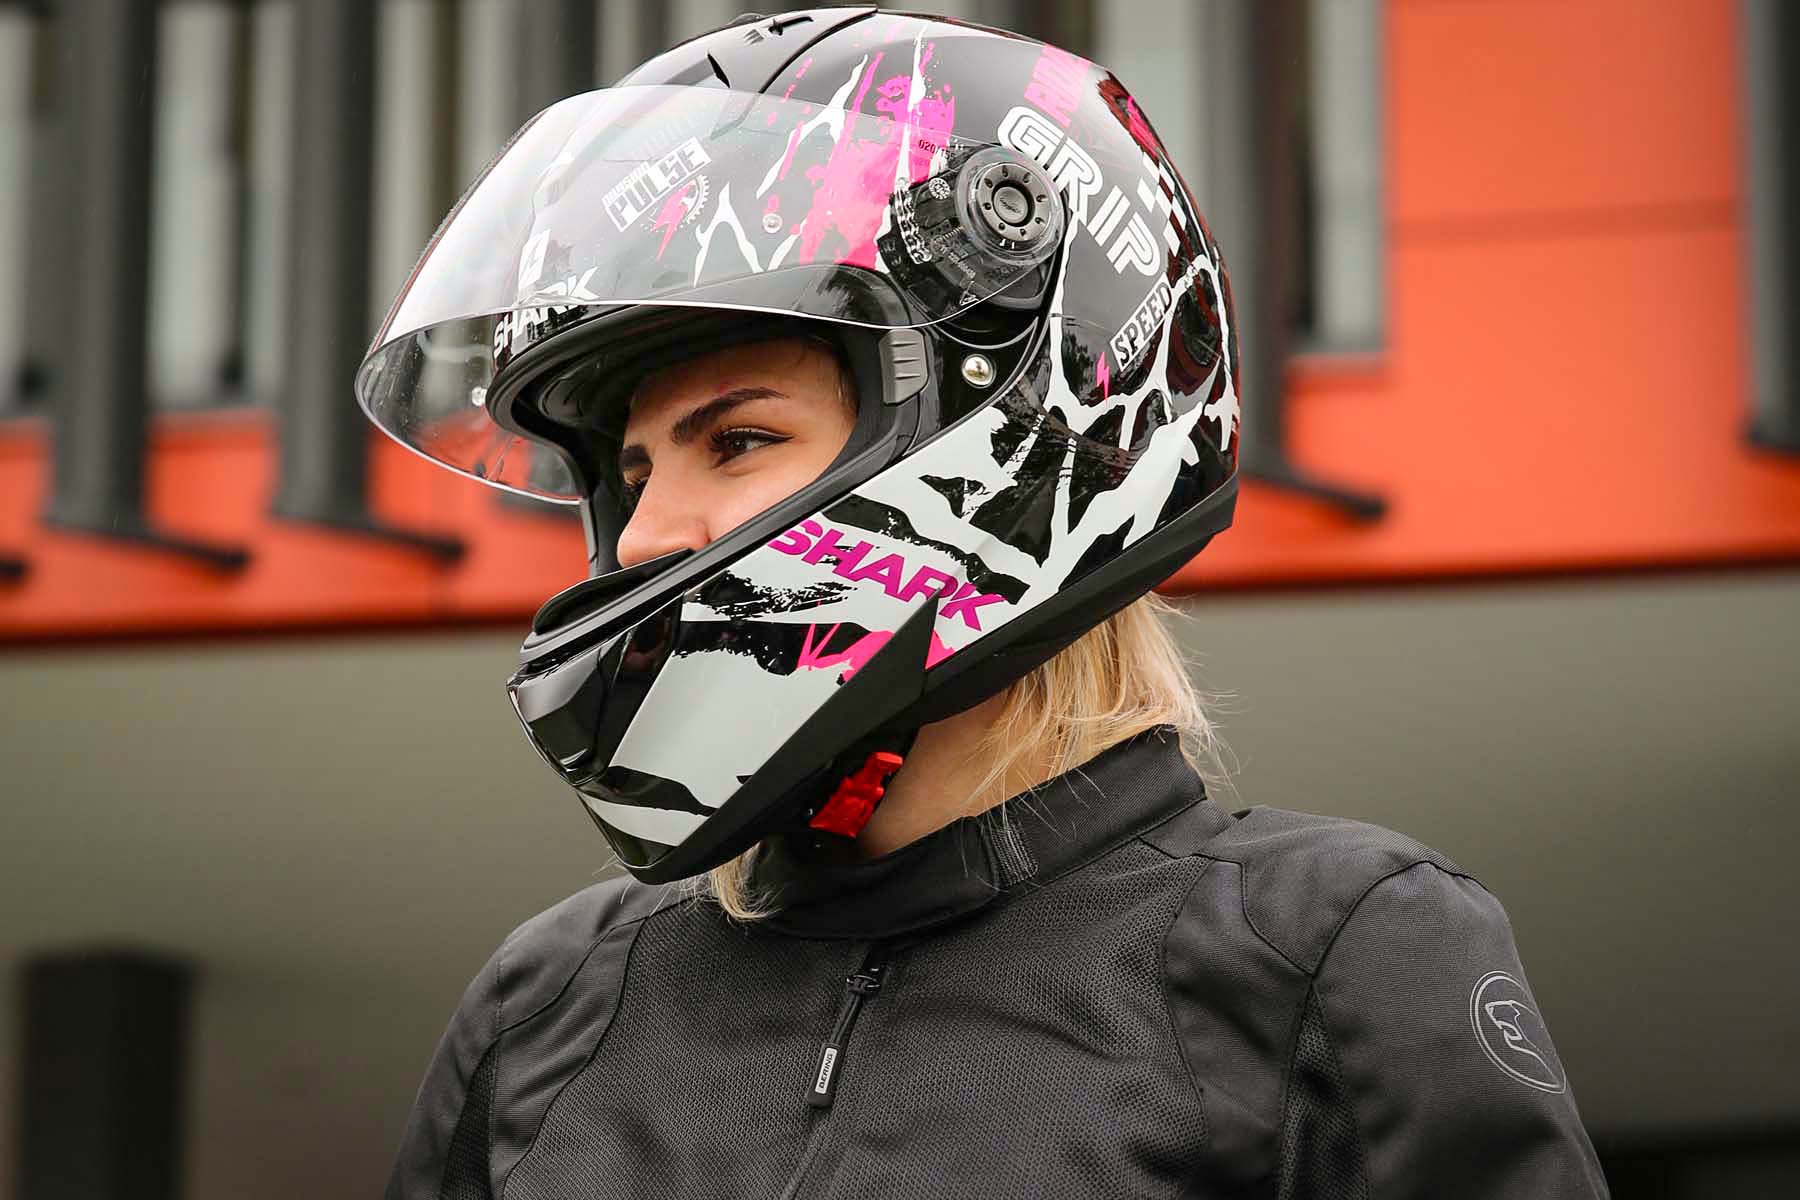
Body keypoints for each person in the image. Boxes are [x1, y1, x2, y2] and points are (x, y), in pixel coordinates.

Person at [360, 9, 1610, 1198]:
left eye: (736, 441)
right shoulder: (551, 1008)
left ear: (1000, 422)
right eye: (632, 476)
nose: (643, 536)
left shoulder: (1316, 947)